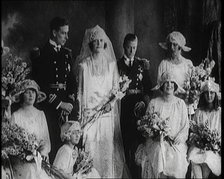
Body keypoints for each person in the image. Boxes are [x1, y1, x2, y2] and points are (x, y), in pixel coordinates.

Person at [76, 25, 126, 178]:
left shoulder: (111, 66)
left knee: (106, 151)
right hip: (90, 115)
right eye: (95, 41)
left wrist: (110, 104)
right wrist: (82, 115)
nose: (98, 43)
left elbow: (117, 90)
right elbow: (81, 93)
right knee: (90, 149)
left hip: (106, 115)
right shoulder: (84, 66)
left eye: (101, 40)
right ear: (91, 43)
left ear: (105, 43)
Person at [31, 16, 77, 163]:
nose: (66, 37)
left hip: (66, 109)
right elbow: (40, 85)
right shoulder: (41, 54)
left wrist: (69, 102)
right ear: (54, 32)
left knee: (67, 149)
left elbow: (71, 81)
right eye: (63, 33)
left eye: (67, 33)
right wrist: (59, 104)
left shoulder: (66, 54)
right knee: (51, 145)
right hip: (49, 108)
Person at [135, 71, 189, 178]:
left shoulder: (180, 104)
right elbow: (147, 124)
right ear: (161, 86)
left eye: (171, 82)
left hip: (175, 141)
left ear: (175, 85)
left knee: (177, 157)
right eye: (166, 82)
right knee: (160, 153)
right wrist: (154, 134)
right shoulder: (154, 103)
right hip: (156, 141)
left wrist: (181, 137)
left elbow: (185, 126)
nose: (169, 85)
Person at [117, 33, 152, 178]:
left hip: (139, 108)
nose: (132, 51)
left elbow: (149, 88)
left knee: (139, 144)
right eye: (129, 47)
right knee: (125, 143)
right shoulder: (117, 65)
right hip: (123, 107)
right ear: (124, 47)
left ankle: (138, 174)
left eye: (135, 47)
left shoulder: (142, 65)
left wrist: (144, 102)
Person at [10, 79, 52, 179]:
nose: (31, 95)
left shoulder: (40, 114)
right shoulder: (16, 116)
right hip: (22, 161)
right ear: (21, 95)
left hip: (40, 158)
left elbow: (46, 139)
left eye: (33, 92)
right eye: (27, 92)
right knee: (30, 172)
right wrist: (24, 154)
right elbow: (12, 142)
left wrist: (42, 154)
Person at [187, 79, 221, 178]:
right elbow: (194, 131)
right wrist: (198, 140)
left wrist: (214, 143)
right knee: (194, 158)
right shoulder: (199, 112)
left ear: (215, 95)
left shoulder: (219, 112)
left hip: (214, 147)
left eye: (211, 93)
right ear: (203, 95)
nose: (209, 96)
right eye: (206, 93)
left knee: (207, 159)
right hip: (199, 146)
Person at [157, 31, 194, 115]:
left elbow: (194, 86)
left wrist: (190, 95)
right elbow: (159, 87)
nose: (172, 48)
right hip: (169, 105)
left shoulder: (188, 64)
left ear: (180, 47)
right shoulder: (164, 64)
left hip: (185, 104)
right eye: (170, 45)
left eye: (175, 45)